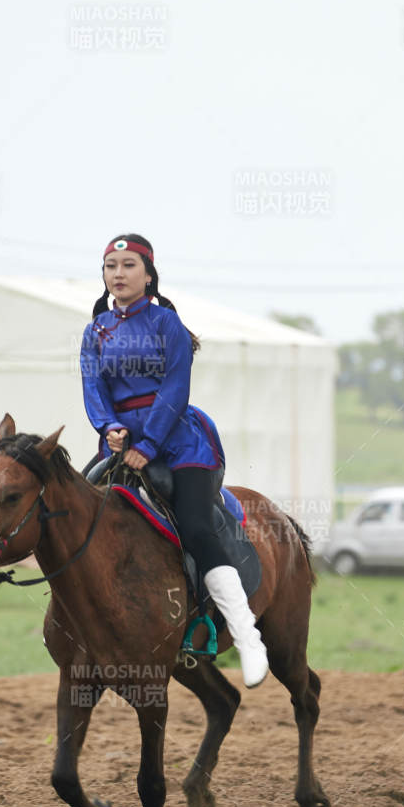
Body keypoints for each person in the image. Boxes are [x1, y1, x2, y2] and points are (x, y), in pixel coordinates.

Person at [79, 234, 269, 687]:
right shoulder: (94, 331)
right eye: (110, 266)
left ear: (148, 274)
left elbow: (175, 388)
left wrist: (148, 444)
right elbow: (93, 389)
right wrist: (109, 428)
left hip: (178, 443)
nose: (118, 274)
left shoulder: (167, 324)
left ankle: (246, 637)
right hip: (119, 444)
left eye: (128, 265)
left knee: (198, 527)